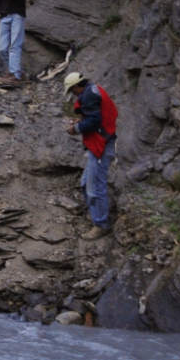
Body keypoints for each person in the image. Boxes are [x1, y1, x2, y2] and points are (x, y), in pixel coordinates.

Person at [63, 73, 118, 240]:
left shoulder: (89, 95)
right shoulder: (94, 90)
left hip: (102, 145)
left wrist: (76, 129)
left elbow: (95, 120)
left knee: (95, 187)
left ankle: (101, 224)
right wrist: (80, 121)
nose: (73, 94)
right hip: (100, 143)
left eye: (72, 91)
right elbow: (95, 116)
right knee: (86, 183)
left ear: (76, 87)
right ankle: (95, 214)